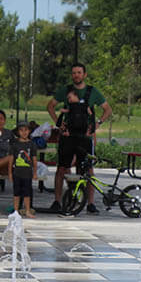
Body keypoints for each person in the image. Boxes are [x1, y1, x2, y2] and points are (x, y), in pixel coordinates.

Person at [46, 62, 111, 214]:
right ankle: (57, 201)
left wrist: (97, 124)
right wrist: (58, 123)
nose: (76, 75)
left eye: (79, 72)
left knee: (87, 169)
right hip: (68, 135)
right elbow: (50, 106)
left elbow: (107, 109)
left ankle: (90, 203)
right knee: (61, 168)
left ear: (84, 74)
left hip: (85, 137)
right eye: (74, 73)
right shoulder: (66, 90)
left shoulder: (92, 91)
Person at [9, 121, 38, 218]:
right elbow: (11, 159)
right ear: (18, 132)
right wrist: (10, 173)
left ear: (29, 131)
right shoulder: (15, 144)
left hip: (28, 173)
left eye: (26, 130)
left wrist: (35, 172)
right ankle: (16, 210)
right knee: (16, 193)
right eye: (21, 130)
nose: (24, 132)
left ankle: (27, 210)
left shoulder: (32, 144)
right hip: (17, 172)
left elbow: (34, 159)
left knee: (27, 193)